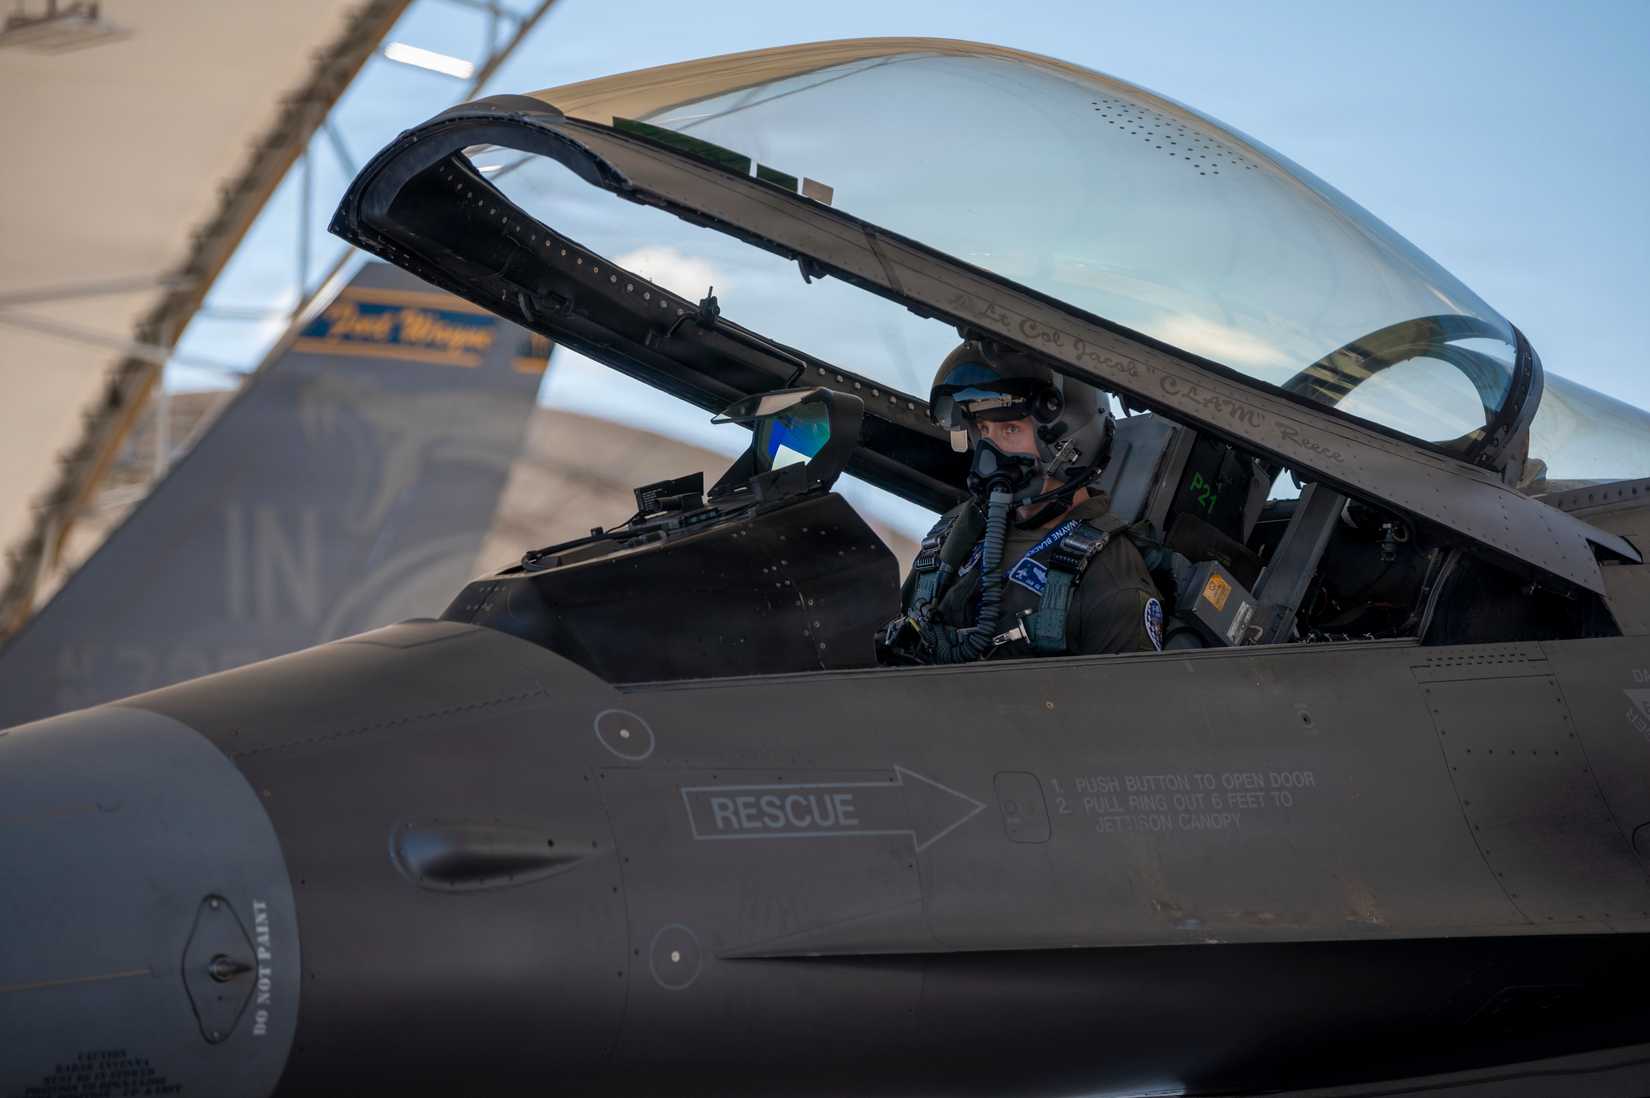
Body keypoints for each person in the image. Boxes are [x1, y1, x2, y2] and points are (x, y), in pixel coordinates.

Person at [879, 339, 1164, 664]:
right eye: (984, 429)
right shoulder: (954, 530)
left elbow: (1131, 711)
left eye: (1010, 428)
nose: (990, 449)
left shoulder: (1112, 585)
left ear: (1067, 443)